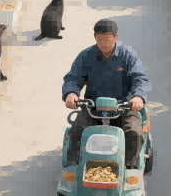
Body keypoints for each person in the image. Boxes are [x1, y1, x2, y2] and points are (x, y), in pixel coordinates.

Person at [61, 19, 151, 170]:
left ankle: (129, 167)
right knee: (77, 130)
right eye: (99, 39)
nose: (103, 43)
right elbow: (73, 78)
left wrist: (138, 97)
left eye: (107, 39)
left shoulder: (128, 56)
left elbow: (140, 78)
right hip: (93, 107)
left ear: (116, 37)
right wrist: (71, 93)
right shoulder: (86, 56)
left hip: (124, 107)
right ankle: (75, 167)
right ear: (95, 37)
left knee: (134, 133)